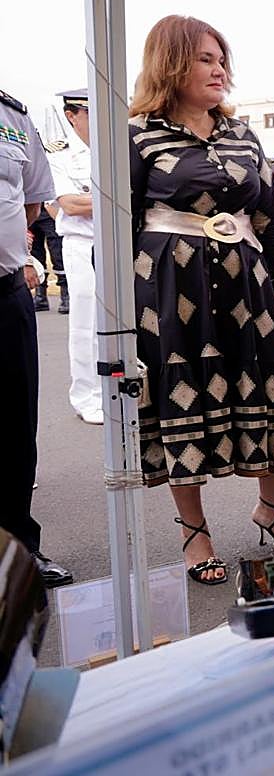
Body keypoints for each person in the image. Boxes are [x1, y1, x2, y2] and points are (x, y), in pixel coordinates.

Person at [128, 15, 274, 585]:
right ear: (171, 64)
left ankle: (272, 512)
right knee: (183, 398)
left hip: (246, 286)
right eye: (206, 59)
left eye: (221, 59)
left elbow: (270, 218)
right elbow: (121, 226)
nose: (219, 70)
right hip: (171, 290)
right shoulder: (137, 136)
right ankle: (194, 531)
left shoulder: (243, 136)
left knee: (270, 387)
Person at [0, 88, 73, 586]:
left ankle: (18, 557)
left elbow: (31, 202)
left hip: (5, 294)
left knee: (12, 429)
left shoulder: (12, 115)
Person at [48, 88, 103, 425]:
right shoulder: (61, 156)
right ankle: (87, 395)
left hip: (120, 244)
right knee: (86, 321)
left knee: (127, 320)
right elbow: (70, 204)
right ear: (72, 115)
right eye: (90, 111)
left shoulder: (116, 150)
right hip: (82, 245)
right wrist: (117, 203)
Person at [28, 201, 66, 312]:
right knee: (36, 255)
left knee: (58, 254)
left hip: (48, 212)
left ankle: (65, 295)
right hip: (30, 212)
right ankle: (40, 296)